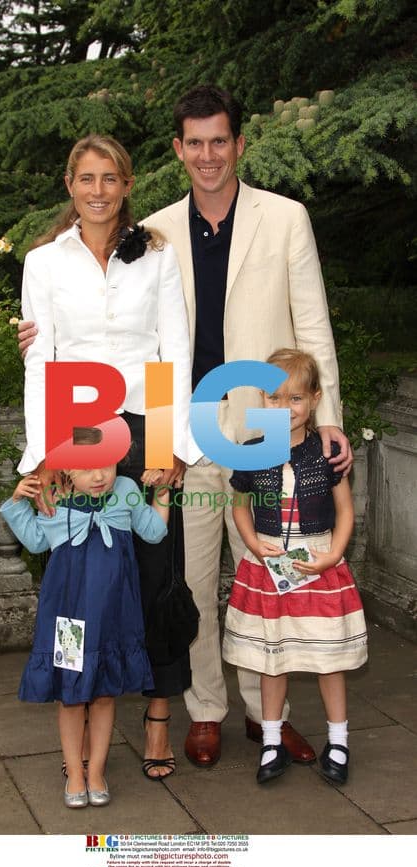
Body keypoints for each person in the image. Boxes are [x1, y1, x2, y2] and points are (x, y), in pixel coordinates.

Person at [19, 85, 353, 768]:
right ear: (178, 150)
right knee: (192, 581)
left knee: (277, 571)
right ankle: (205, 711)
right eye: (194, 142)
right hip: (192, 426)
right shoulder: (158, 233)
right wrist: (38, 340)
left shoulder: (286, 219)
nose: (207, 154)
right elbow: (111, 313)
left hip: (267, 426)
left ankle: (273, 718)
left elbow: (312, 323)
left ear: (238, 144)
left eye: (219, 140)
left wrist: (328, 419)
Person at [17, 133, 195, 781]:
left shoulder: (156, 255)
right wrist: (44, 457)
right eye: (86, 178)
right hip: (80, 429)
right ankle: (76, 712)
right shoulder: (44, 262)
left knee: (155, 575)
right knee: (76, 585)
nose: (97, 191)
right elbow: (42, 362)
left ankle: (155, 719)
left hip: (146, 423)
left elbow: (173, 348)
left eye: (109, 178)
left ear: (126, 185)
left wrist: (172, 443)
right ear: (70, 184)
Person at [0, 436, 171, 808]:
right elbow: (33, 541)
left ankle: (96, 772)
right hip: (69, 616)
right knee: (72, 697)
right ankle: (75, 774)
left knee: (105, 692)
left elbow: (154, 532)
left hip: (115, 615)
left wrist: (161, 493)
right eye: (88, 469)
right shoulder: (57, 500)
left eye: (107, 466)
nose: (100, 476)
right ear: (66, 472)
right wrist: (16, 502)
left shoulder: (125, 490)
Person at [223, 349, 368, 784]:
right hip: (267, 567)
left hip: (317, 564)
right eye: (274, 398)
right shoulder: (250, 453)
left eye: (296, 400)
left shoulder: (325, 454)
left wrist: (334, 554)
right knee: (273, 656)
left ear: (315, 400)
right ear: (261, 401)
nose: (284, 410)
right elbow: (240, 507)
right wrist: (250, 542)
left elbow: (345, 511)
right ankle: (271, 741)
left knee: (329, 658)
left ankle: (338, 741)